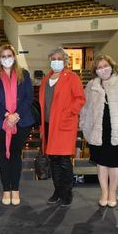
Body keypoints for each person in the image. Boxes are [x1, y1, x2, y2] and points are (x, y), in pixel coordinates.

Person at [80, 55, 118, 208]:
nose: (103, 69)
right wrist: (84, 125)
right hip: (99, 132)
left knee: (115, 165)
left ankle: (113, 192)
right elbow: (85, 109)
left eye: (105, 66)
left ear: (112, 66)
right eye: (99, 67)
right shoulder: (91, 85)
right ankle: (104, 192)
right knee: (101, 164)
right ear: (95, 70)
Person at [0, 44, 35, 205]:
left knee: (15, 155)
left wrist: (16, 115)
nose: (6, 59)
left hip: (22, 121)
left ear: (14, 57)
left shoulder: (24, 74)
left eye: (9, 55)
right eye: (3, 56)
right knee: (3, 155)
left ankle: (15, 190)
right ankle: (6, 190)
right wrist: (7, 115)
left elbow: (29, 97)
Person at [39, 47, 85, 207]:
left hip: (64, 124)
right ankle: (57, 191)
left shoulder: (72, 77)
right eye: (53, 58)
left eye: (59, 58)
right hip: (48, 125)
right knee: (53, 160)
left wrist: (69, 112)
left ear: (65, 61)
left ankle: (67, 193)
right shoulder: (46, 79)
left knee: (64, 160)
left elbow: (80, 98)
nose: (56, 61)